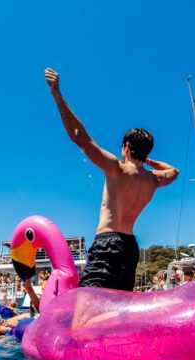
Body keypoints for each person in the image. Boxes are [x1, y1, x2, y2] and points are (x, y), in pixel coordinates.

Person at [45, 68, 179, 291]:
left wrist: (57, 95)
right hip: (129, 247)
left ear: (126, 147)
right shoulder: (153, 180)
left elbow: (81, 138)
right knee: (117, 309)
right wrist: (149, 163)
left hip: (107, 244)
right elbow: (174, 171)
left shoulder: (118, 169)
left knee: (86, 305)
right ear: (145, 153)